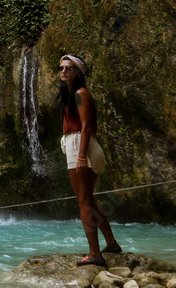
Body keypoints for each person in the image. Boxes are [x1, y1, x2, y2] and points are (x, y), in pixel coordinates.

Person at [58, 54, 121, 266]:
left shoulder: (80, 93)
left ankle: (95, 254)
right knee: (90, 200)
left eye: (69, 68)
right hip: (78, 144)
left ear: (78, 72)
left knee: (84, 202)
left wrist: (81, 156)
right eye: (61, 68)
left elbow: (85, 126)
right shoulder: (72, 95)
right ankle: (110, 243)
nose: (64, 71)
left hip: (80, 145)